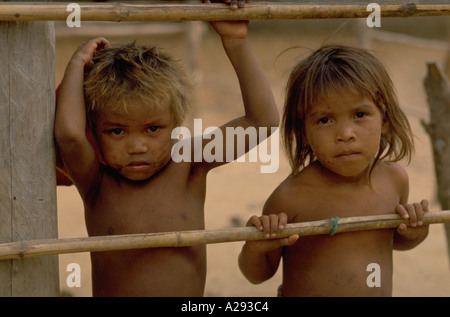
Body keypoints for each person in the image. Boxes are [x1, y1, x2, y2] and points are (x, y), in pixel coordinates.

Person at [55, 12, 278, 296]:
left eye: (152, 129)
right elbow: (70, 136)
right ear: (95, 132)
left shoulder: (188, 162)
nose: (137, 146)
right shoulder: (96, 182)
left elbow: (262, 122)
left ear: (176, 126)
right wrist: (76, 64)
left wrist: (236, 42)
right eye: (117, 132)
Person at [238, 44, 429, 297]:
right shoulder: (291, 196)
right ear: (303, 132)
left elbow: (393, 242)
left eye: (360, 114)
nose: (345, 134)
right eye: (325, 120)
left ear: (384, 118)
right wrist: (254, 248)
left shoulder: (394, 180)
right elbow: (258, 275)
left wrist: (416, 231)